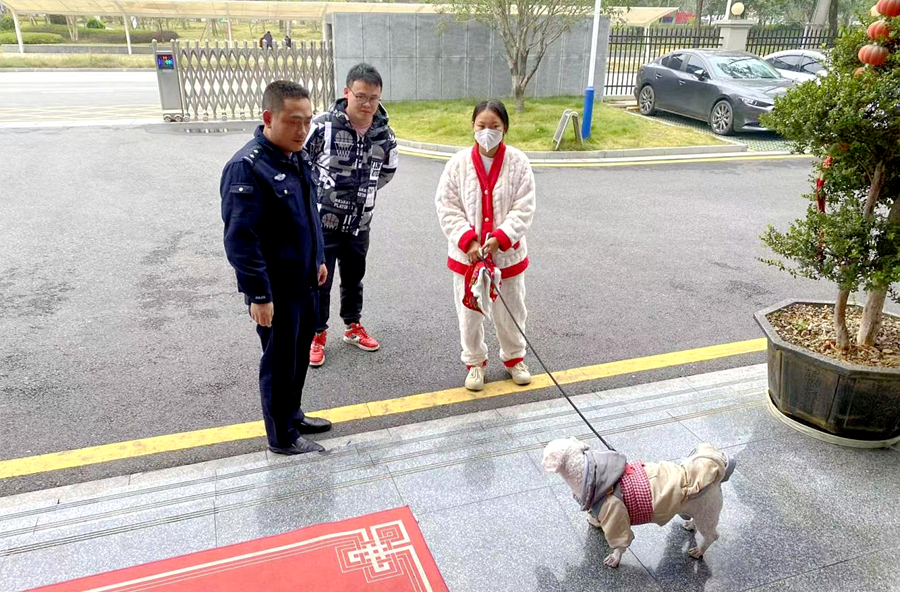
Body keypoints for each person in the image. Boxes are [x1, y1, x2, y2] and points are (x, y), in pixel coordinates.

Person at [220, 81, 331, 456]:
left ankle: (293, 414)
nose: (302, 130)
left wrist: (318, 259)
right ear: (268, 118)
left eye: (308, 121)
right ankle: (281, 437)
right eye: (293, 121)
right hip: (276, 290)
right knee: (279, 363)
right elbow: (241, 239)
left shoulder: (295, 156)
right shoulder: (246, 168)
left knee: (297, 358)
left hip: (304, 283)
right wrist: (259, 294)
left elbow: (308, 215)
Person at [434, 99, 536, 391]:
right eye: (482, 126)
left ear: (505, 129)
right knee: (469, 314)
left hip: (508, 256)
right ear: (472, 127)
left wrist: (501, 237)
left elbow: (524, 206)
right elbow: (447, 206)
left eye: (495, 126)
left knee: (512, 311)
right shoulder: (457, 164)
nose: (487, 132)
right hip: (468, 259)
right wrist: (468, 240)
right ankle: (474, 363)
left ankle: (515, 358)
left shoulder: (519, 162)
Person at [304, 63, 398, 368]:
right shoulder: (322, 126)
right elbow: (301, 164)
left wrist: (363, 194)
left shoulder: (384, 134)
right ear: (347, 93)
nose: (368, 104)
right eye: (361, 96)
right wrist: (326, 196)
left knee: (354, 278)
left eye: (374, 97)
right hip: (323, 224)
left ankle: (352, 326)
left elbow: (387, 172)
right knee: (319, 282)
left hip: (361, 223)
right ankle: (316, 334)